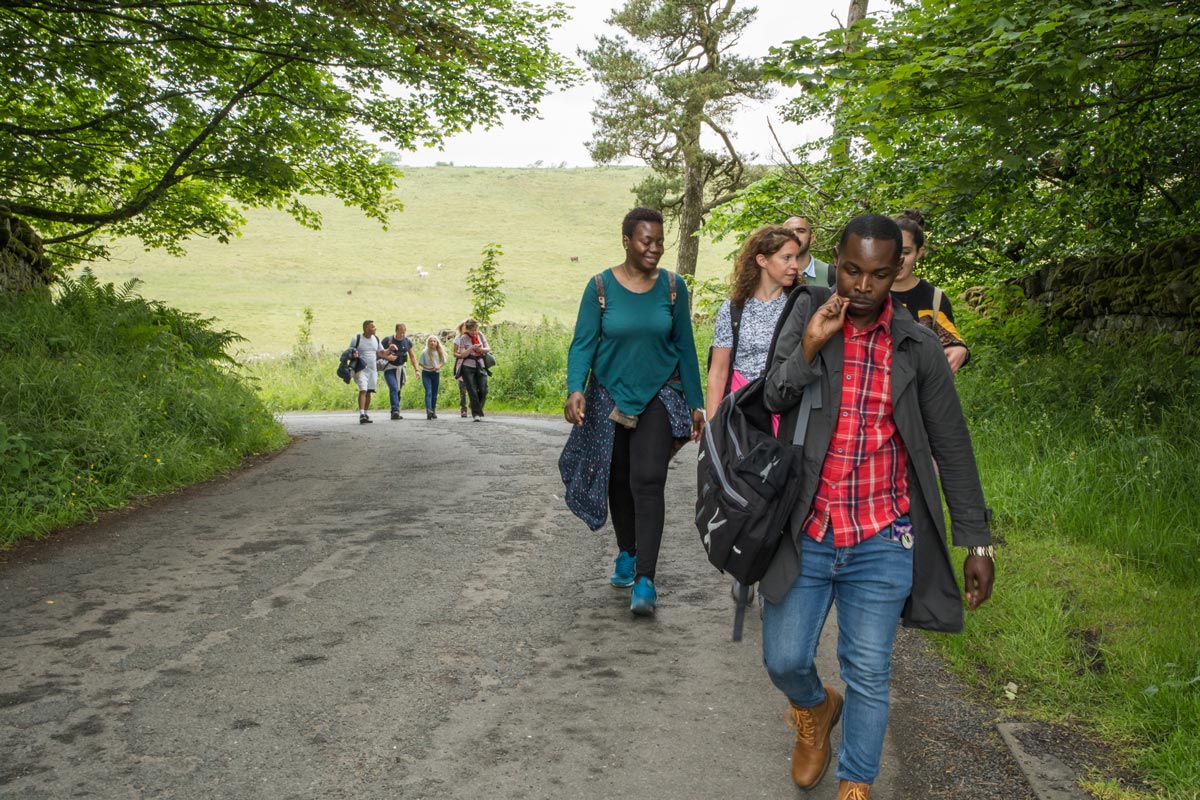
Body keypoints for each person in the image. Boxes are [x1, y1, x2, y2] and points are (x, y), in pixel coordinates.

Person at [760, 213, 994, 799]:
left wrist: (978, 541)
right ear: (834, 260)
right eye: (851, 270)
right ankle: (815, 710)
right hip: (807, 529)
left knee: (869, 670)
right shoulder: (805, 311)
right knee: (784, 660)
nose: (862, 287)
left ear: (900, 272)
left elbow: (953, 447)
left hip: (882, 535)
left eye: (879, 274)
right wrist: (811, 345)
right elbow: (773, 396)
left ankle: (856, 783)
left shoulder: (917, 346)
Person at [561, 207, 705, 616]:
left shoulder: (673, 288)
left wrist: (695, 402)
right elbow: (583, 343)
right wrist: (576, 388)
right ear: (626, 240)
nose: (655, 248)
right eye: (646, 241)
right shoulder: (600, 286)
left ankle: (645, 578)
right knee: (618, 479)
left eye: (659, 241)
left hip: (660, 392)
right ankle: (627, 550)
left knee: (647, 479)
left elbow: (685, 348)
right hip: (609, 395)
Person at [890, 210, 969, 373]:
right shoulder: (868, 292)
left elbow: (952, 341)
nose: (898, 259)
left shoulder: (934, 298)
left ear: (919, 252)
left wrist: (960, 350)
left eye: (905, 252)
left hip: (920, 392)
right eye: (892, 251)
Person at [348, 320, 394, 424]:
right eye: (372, 327)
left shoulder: (376, 339)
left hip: (372, 370)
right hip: (361, 369)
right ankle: (362, 414)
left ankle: (365, 413)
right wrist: (353, 354)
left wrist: (390, 349)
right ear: (366, 328)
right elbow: (349, 352)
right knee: (363, 389)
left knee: (369, 391)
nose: (375, 329)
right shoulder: (357, 338)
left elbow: (381, 353)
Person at [454, 318, 491, 421]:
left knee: (483, 389)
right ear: (467, 329)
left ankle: (475, 407)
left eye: (475, 329)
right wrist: (471, 348)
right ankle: (476, 414)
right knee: (472, 390)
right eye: (471, 330)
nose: (473, 332)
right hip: (467, 367)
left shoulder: (480, 335)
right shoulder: (463, 338)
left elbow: (488, 349)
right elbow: (462, 354)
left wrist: (481, 349)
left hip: (480, 365)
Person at [784, 215, 834, 287]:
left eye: (801, 231)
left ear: (812, 238)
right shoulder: (770, 272)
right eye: (788, 232)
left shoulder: (830, 273)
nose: (794, 235)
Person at [381, 323, 418, 420]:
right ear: (396, 330)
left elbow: (412, 356)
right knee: (393, 387)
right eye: (400, 332)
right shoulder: (387, 340)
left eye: (403, 332)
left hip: (400, 368)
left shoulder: (407, 342)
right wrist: (388, 357)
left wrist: (416, 370)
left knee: (398, 390)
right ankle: (395, 410)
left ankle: (395, 411)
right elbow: (379, 354)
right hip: (389, 368)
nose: (402, 334)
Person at [418, 335, 447, 420]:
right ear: (428, 343)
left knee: (434, 393)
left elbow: (443, 361)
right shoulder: (424, 352)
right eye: (431, 341)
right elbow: (421, 363)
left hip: (436, 373)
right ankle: (429, 410)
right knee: (429, 391)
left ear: (437, 343)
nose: (432, 343)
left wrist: (439, 366)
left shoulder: (439, 351)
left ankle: (433, 410)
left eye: (434, 341)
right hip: (426, 374)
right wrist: (427, 367)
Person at [453, 319, 470, 418]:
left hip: (473, 365)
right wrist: (462, 355)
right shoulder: (457, 338)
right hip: (461, 366)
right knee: (462, 390)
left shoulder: (472, 337)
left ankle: (474, 406)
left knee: (473, 388)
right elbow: (454, 353)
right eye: (465, 327)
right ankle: (463, 409)